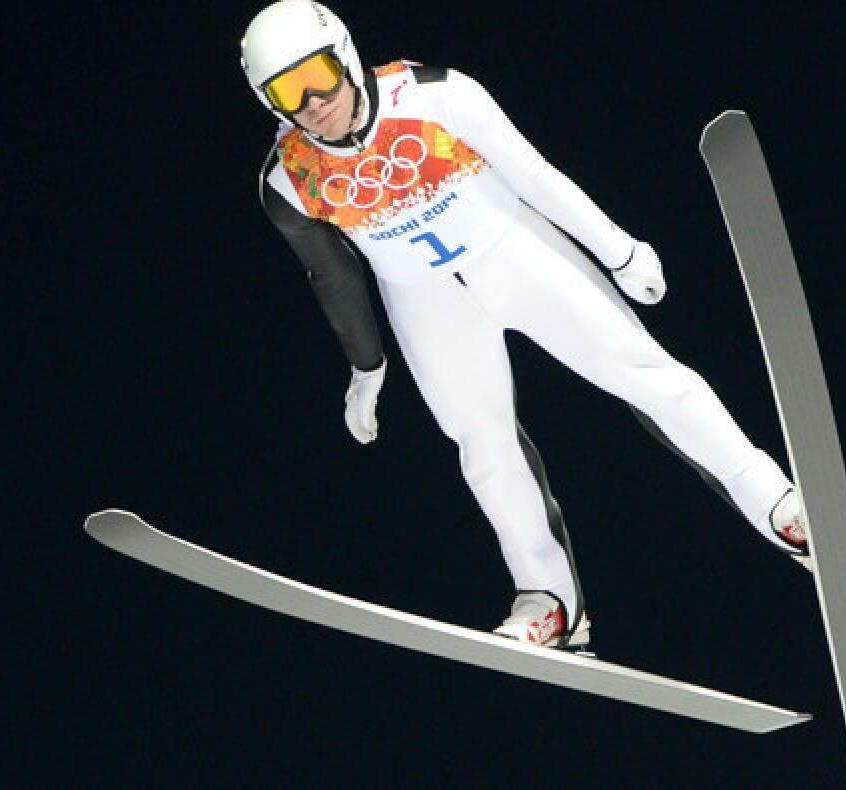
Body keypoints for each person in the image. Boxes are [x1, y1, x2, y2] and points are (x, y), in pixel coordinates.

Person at [240, 0, 811, 650]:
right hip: (425, 300)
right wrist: (366, 369)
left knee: (642, 371)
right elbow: (333, 276)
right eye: (289, 90)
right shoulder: (289, 180)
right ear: (272, 102)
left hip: (511, 250)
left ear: (342, 55)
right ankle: (550, 601)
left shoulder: (435, 96)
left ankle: (776, 505)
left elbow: (533, 174)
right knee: (481, 446)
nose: (314, 100)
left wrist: (618, 249)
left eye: (318, 74)